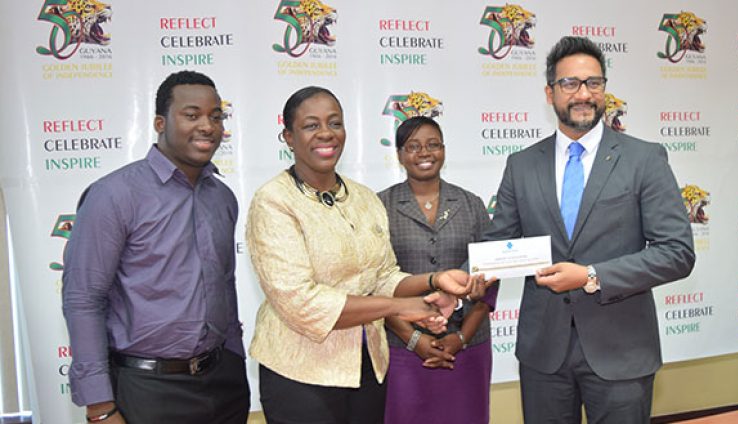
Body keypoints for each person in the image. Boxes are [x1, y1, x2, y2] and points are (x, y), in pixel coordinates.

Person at [482, 36, 696, 423]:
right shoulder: (522, 164)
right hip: (543, 353)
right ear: (550, 93)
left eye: (593, 83)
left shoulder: (644, 159)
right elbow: (499, 243)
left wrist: (592, 275)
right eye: (570, 84)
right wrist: (466, 281)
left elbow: (677, 252)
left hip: (621, 353)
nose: (583, 94)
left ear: (604, 89)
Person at [246, 86, 478, 424]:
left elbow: (383, 276)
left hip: (367, 367)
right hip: (301, 375)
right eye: (311, 125)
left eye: (335, 123)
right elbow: (302, 302)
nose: (326, 133)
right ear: (288, 137)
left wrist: (433, 281)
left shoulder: (364, 198)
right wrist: (402, 307)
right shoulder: (273, 202)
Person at [62, 70, 249, 424]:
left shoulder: (222, 197)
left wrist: (235, 358)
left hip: (223, 382)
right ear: (160, 123)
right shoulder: (114, 195)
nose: (208, 126)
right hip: (148, 389)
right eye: (191, 115)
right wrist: (100, 407)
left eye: (215, 116)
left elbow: (225, 283)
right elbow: (83, 298)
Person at [378, 116, 497, 424]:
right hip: (403, 349)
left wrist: (462, 338)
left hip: (469, 347)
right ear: (401, 155)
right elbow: (374, 283)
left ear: (444, 150)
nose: (425, 153)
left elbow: (490, 274)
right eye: (413, 146)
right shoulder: (380, 207)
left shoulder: (471, 204)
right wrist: (415, 340)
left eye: (433, 145)